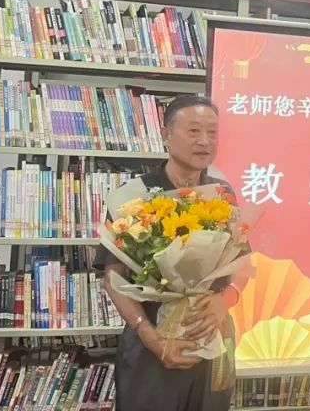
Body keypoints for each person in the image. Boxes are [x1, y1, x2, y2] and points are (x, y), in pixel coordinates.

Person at [95, 95, 245, 411]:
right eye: (194, 131)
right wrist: (150, 336)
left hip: (212, 338)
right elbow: (113, 278)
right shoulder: (134, 198)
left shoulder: (223, 194)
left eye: (212, 132)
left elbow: (242, 261)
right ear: (166, 135)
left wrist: (225, 300)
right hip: (152, 344)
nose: (205, 141)